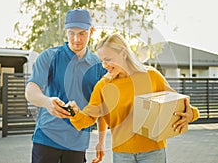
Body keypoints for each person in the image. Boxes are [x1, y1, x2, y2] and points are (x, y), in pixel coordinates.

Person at [69, 33, 200, 163]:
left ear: (123, 54)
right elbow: (87, 118)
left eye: (108, 59)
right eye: (102, 60)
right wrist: (74, 113)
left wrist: (192, 113)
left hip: (153, 151)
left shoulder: (151, 76)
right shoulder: (103, 85)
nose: (104, 65)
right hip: (122, 153)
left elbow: (177, 104)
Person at [25, 8, 107, 163]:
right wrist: (46, 102)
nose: (76, 39)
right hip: (46, 139)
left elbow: (101, 107)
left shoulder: (99, 66)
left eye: (82, 33)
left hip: (77, 143)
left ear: (92, 31)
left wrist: (101, 141)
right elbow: (31, 90)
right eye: (71, 33)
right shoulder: (49, 56)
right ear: (66, 31)